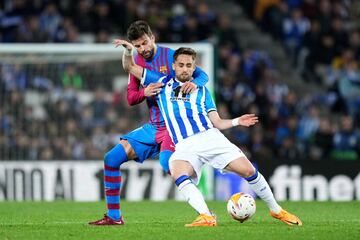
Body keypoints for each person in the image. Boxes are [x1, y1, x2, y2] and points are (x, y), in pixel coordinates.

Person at [120, 43, 302, 227]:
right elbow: (130, 67)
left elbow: (217, 122)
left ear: (194, 67)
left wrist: (237, 121)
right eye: (181, 65)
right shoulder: (161, 83)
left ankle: (276, 210)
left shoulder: (203, 91)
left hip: (209, 138)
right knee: (176, 170)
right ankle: (206, 216)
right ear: (173, 66)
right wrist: (129, 51)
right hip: (184, 145)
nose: (185, 69)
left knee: (249, 171)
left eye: (189, 65)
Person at [89, 21, 209, 225]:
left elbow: (203, 75)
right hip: (154, 127)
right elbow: (131, 98)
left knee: (168, 164)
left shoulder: (172, 56)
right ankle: (114, 217)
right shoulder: (137, 64)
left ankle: (205, 212)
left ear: (153, 38)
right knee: (112, 158)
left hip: (174, 126)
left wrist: (192, 83)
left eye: (145, 43)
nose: (142, 49)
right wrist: (144, 92)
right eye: (137, 46)